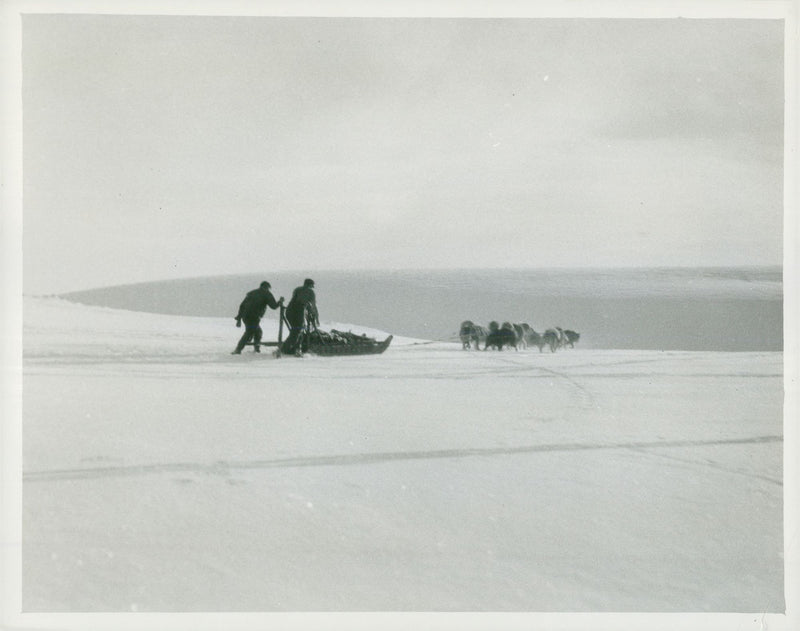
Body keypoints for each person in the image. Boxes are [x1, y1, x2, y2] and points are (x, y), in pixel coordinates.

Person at [232, 281, 282, 354]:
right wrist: (280, 302)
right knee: (250, 332)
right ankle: (238, 349)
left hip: (246, 316)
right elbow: (273, 306)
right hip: (254, 317)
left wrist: (239, 318)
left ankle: (256, 348)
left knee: (257, 331)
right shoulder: (266, 294)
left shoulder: (252, 293)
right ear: (267, 287)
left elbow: (242, 306)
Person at [282, 278, 319, 355]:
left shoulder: (297, 289)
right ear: (310, 285)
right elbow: (313, 306)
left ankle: (295, 348)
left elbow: (296, 300)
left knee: (296, 330)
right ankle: (286, 349)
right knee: (298, 330)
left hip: (289, 310)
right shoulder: (310, 292)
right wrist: (316, 318)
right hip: (298, 310)